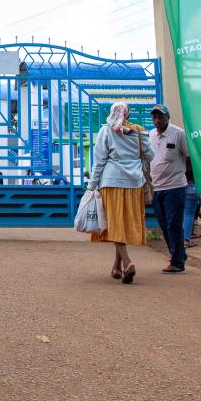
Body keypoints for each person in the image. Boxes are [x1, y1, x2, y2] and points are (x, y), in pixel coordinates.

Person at [86, 101, 150, 284]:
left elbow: (98, 161)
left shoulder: (106, 131)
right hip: (134, 183)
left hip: (111, 183)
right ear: (128, 115)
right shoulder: (140, 131)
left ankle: (128, 262)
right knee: (123, 222)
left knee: (114, 222)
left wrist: (91, 186)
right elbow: (151, 155)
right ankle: (116, 265)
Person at [149, 104, 190, 274]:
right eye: (155, 117)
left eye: (161, 117)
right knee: (164, 224)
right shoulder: (151, 135)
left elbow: (188, 157)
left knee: (173, 223)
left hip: (175, 187)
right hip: (156, 187)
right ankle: (179, 254)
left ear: (168, 117)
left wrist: (184, 177)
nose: (157, 120)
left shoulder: (178, 134)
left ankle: (177, 261)